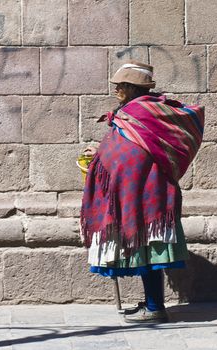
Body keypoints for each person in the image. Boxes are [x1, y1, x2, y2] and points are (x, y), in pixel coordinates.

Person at [80, 60, 204, 323]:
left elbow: (130, 154)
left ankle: (155, 307)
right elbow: (129, 146)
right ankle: (151, 302)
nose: (116, 89)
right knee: (148, 249)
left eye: (121, 85)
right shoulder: (147, 110)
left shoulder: (138, 112)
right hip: (151, 190)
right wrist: (102, 152)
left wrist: (103, 160)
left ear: (132, 87)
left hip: (147, 191)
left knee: (149, 249)